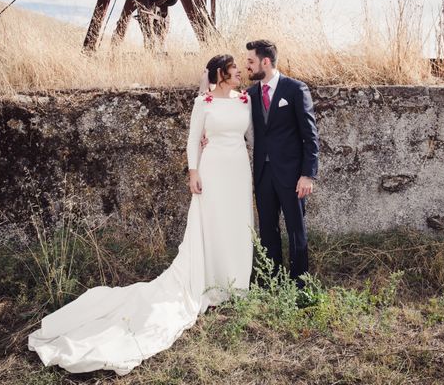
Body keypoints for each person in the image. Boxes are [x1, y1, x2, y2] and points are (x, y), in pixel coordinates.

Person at [28, 54, 254, 375]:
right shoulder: (203, 102)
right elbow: (193, 140)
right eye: (234, 70)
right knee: (213, 227)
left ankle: (236, 286)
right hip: (213, 168)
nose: (240, 74)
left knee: (237, 226)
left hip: (238, 170)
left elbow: (252, 137)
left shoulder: (245, 100)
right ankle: (212, 283)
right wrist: (193, 171)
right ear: (221, 73)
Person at [245, 39, 319, 288]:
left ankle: (300, 284)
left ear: (265, 61)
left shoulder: (295, 90)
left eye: (251, 61)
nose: (247, 66)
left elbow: (310, 135)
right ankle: (271, 281)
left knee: (296, 229)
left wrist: (308, 175)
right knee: (267, 229)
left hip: (292, 175)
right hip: (263, 174)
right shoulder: (251, 94)